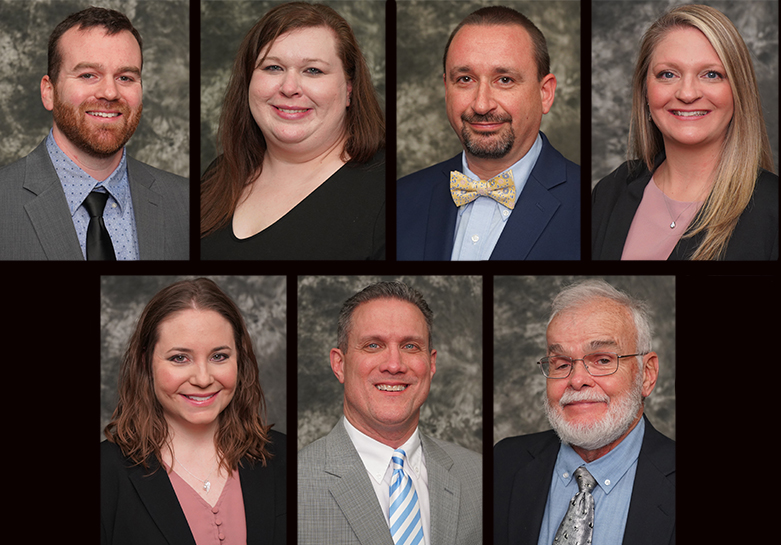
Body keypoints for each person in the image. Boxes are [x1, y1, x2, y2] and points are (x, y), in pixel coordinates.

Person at [101, 278, 286, 545]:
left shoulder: (286, 457)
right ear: (146, 363)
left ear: (240, 360)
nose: (202, 379)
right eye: (179, 358)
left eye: (219, 356)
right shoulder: (105, 474)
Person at [298, 281, 482, 544]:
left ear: (431, 364)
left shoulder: (479, 476)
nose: (394, 365)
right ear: (339, 364)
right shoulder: (295, 484)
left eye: (410, 346)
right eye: (373, 345)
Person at [494, 279, 675, 545]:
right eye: (561, 363)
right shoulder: (504, 464)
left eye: (602, 360)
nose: (577, 380)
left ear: (647, 374)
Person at [0, 6, 188, 261]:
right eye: (88, 75)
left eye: (125, 77)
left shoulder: (187, 203)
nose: (110, 92)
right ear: (49, 92)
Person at [200, 2, 385, 260]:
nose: (289, 87)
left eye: (313, 70)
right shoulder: (218, 174)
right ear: (248, 81)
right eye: (273, 67)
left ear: (349, 89)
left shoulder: (388, 193)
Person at [592, 4, 778, 260]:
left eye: (711, 74)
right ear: (645, 91)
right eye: (668, 74)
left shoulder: (773, 208)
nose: (687, 94)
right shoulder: (610, 191)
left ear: (738, 90)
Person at [396, 6, 579, 261]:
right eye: (465, 79)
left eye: (504, 80)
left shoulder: (590, 204)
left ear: (544, 93)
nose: (482, 105)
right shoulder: (399, 200)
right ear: (446, 89)